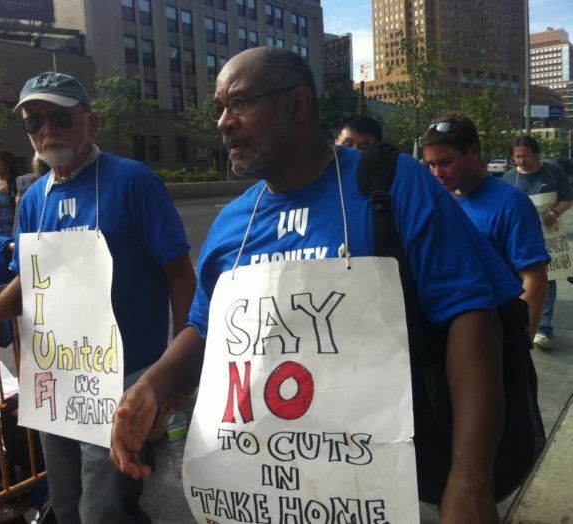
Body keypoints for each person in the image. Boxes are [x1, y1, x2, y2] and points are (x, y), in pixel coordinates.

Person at [111, 47, 522, 522]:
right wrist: (149, 388)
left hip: (385, 489)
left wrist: (470, 483)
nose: (224, 122)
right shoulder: (231, 224)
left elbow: (472, 319)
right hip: (263, 493)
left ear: (298, 104)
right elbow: (205, 331)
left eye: (240, 103)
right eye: (219, 107)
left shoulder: (390, 184)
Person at [0, 71, 196, 524]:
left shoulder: (132, 180)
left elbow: (179, 272)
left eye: (60, 118)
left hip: (123, 379)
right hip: (58, 380)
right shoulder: (33, 198)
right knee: (66, 503)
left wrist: (176, 368)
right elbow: (30, 279)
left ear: (92, 121)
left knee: (104, 510)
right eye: (34, 123)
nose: (46, 130)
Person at [422, 114, 549, 342]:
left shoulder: (512, 204)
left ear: (472, 153)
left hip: (495, 336)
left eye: (445, 162)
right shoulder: (437, 200)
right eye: (431, 164)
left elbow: (534, 279)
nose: (437, 173)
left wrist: (520, 342)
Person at [503, 135, 573, 349]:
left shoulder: (553, 172)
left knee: (547, 280)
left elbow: (568, 198)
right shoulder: (509, 177)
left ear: (535, 154)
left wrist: (555, 212)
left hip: (547, 236)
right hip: (518, 238)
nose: (521, 161)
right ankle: (518, 323)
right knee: (516, 280)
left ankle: (543, 328)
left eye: (525, 156)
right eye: (517, 157)